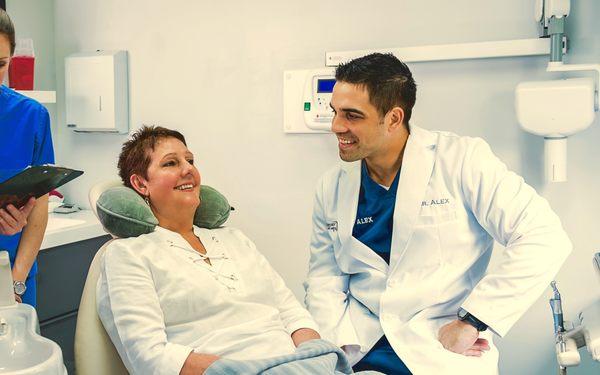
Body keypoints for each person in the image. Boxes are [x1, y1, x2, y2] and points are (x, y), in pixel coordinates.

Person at [304, 53, 572, 374]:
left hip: (436, 345)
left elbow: (544, 237)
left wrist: (474, 320)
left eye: (352, 115)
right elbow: (325, 277)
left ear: (393, 118)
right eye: (335, 112)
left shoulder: (460, 161)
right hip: (358, 347)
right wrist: (330, 348)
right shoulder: (331, 186)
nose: (336, 126)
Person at [97, 126, 322, 375]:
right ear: (140, 183)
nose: (188, 169)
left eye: (190, 160)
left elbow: (292, 313)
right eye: (171, 163)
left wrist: (315, 359)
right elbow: (150, 356)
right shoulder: (129, 254)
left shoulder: (234, 239)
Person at [0, 9, 54, 306]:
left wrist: (16, 281)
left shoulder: (31, 117)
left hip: (13, 277)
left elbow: (39, 206)